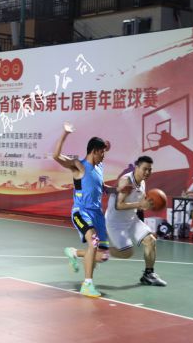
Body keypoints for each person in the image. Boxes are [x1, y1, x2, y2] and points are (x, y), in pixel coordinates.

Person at [54, 122, 110, 298]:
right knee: (93, 241)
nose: (104, 156)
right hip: (81, 211)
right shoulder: (79, 165)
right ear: (94, 151)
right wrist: (65, 133)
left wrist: (116, 190)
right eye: (102, 152)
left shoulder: (100, 167)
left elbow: (100, 186)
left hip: (97, 214)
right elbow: (56, 156)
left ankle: (74, 252)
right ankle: (87, 284)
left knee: (103, 256)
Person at [105, 156, 167, 286]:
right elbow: (118, 205)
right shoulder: (126, 181)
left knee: (150, 240)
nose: (147, 172)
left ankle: (148, 275)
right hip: (115, 223)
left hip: (131, 219)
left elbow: (140, 202)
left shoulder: (142, 182)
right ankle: (100, 251)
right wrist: (140, 204)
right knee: (127, 253)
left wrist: (146, 205)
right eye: (145, 169)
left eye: (150, 170)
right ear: (137, 167)